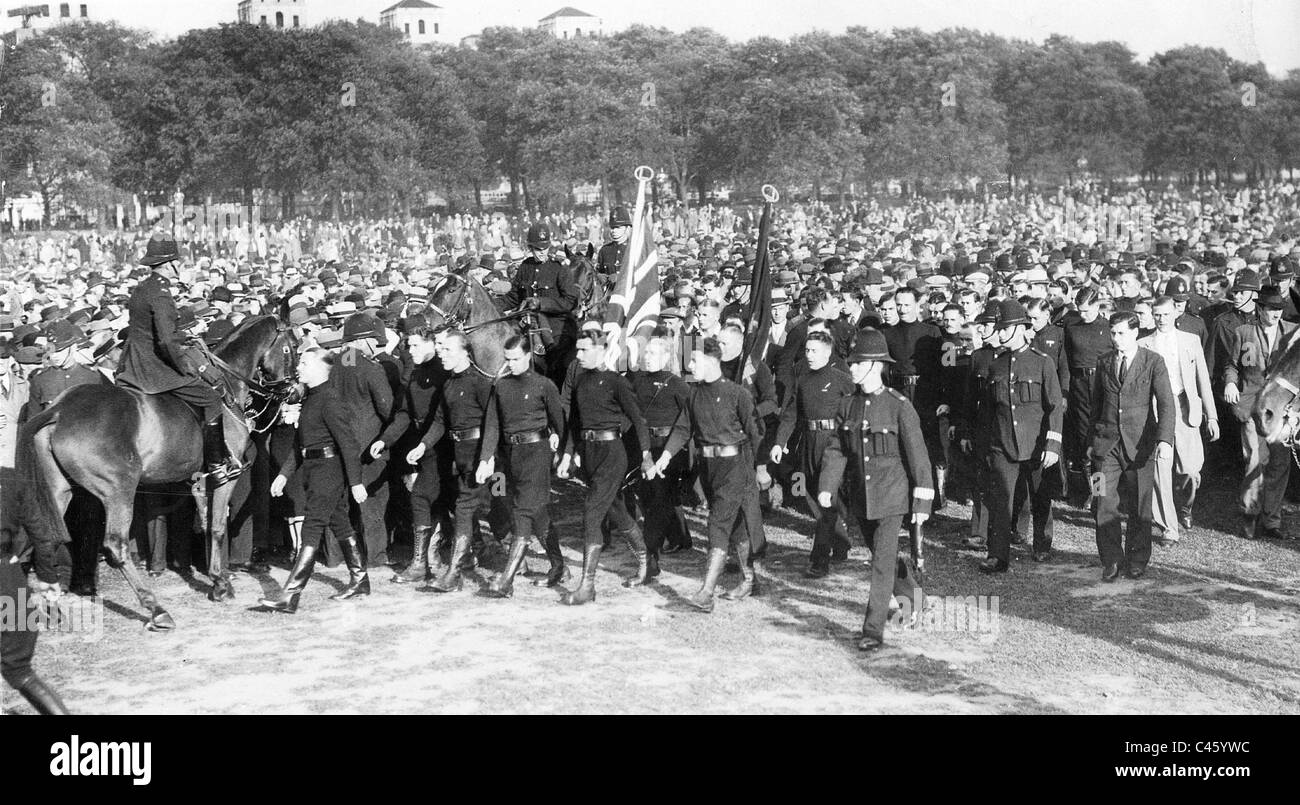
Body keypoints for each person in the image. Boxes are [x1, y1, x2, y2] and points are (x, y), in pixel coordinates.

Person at [817, 328, 933, 652]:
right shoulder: (848, 406)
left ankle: (872, 630)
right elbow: (837, 449)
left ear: (875, 365)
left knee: (880, 565)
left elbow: (919, 458)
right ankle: (916, 601)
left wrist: (921, 505)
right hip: (863, 499)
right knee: (884, 557)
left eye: (857, 363)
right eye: (850, 362)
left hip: (892, 497)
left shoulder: (899, 406)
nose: (850, 368)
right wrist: (827, 486)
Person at [115, 234, 243, 482]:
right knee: (211, 397)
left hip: (133, 363)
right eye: (178, 262)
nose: (180, 266)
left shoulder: (142, 288)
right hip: (154, 368)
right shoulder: (162, 293)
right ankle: (216, 465)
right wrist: (184, 366)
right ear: (169, 264)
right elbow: (165, 340)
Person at [653, 337, 764, 613]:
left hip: (735, 467)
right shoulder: (693, 394)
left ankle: (706, 593)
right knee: (735, 524)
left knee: (717, 524)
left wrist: (760, 468)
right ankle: (749, 579)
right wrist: (665, 457)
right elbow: (682, 428)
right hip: (708, 469)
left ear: (712, 360)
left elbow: (756, 432)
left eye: (694, 360)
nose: (690, 365)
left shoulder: (737, 394)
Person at [261, 348, 369, 612]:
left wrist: (355, 482)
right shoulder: (311, 398)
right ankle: (360, 580)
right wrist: (283, 476)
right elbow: (299, 446)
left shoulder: (331, 399)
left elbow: (348, 444)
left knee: (312, 526)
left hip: (329, 471)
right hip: (313, 469)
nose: (299, 367)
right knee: (340, 522)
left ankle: (290, 595)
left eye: (304, 363)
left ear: (322, 369)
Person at [557, 332, 654, 604]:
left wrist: (646, 455)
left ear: (600, 350)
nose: (578, 356)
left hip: (612, 454)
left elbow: (638, 419)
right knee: (617, 511)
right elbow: (575, 424)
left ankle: (587, 587)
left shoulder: (616, 382)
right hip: (590, 454)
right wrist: (567, 455)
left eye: (584, 350)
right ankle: (647, 562)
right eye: (577, 350)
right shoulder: (579, 381)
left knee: (591, 513)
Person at [405, 329, 497, 591]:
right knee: (466, 509)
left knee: (499, 509)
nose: (442, 354)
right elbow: (440, 421)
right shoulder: (448, 384)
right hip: (460, 455)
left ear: (465, 352)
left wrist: (488, 458)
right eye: (441, 350)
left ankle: (458, 572)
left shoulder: (480, 383)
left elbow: (492, 423)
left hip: (480, 453)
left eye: (447, 350)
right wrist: (423, 445)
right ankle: (458, 570)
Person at [976, 300, 1064, 572]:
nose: (1000, 334)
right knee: (1001, 498)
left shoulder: (1042, 363)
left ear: (1022, 329)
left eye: (1006, 329)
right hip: (1003, 444)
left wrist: (1052, 444)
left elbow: (1054, 406)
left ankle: (1041, 543)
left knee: (1040, 496)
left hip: (1036, 443)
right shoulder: (996, 366)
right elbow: (990, 412)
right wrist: (990, 447)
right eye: (999, 329)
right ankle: (997, 555)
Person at [1090, 312, 1175, 580]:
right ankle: (1111, 560)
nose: (1116, 339)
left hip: (1141, 447)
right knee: (1102, 499)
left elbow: (1165, 404)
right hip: (1106, 447)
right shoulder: (1103, 362)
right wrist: (1091, 443)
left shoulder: (1153, 362)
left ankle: (1137, 559)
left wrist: (1164, 440)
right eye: (1112, 333)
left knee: (1140, 506)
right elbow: (1095, 405)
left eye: (1121, 333)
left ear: (1135, 332)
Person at [478, 335, 565, 599]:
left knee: (523, 510)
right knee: (519, 505)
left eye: (516, 359)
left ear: (528, 357)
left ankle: (506, 581)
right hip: (507, 458)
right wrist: (486, 458)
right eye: (507, 359)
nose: (511, 364)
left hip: (536, 455)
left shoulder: (543, 385)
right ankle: (558, 564)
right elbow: (492, 425)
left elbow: (560, 422)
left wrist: (563, 450)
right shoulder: (500, 387)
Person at [770, 330, 855, 577]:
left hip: (834, 444)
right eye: (807, 350)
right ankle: (841, 543)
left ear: (828, 353)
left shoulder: (842, 379)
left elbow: (854, 409)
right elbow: (791, 415)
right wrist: (779, 442)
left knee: (825, 500)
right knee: (817, 496)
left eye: (814, 350)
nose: (809, 355)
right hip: (808, 442)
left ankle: (819, 560)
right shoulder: (803, 379)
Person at [1222, 285, 1297, 540]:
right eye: (1271, 308)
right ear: (1260, 308)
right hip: (1252, 406)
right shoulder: (1244, 333)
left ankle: (1271, 520)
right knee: (1255, 460)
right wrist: (1230, 382)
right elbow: (1232, 366)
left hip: (1281, 410)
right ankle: (1250, 515)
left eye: (1279, 308)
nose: (1276, 313)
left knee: (1279, 464)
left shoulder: (1292, 333)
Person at [1139, 296, 1218, 541]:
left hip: (1185, 406)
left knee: (1191, 470)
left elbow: (1203, 380)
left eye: (1165, 314)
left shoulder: (1190, 340)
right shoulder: (1144, 344)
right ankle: (1168, 528)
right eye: (1157, 314)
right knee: (1160, 468)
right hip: (1157, 409)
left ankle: (1185, 507)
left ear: (1175, 313)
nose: (1161, 319)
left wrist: (1211, 416)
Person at [334, 313, 396, 568]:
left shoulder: (336, 363)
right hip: (367, 445)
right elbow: (387, 408)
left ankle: (335, 557)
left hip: (338, 442)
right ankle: (376, 557)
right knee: (372, 501)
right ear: (366, 340)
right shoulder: (372, 368)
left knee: (340, 502)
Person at [630, 331, 694, 558]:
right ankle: (681, 538)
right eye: (646, 352)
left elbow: (688, 416)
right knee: (655, 493)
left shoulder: (677, 384)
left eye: (653, 353)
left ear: (666, 357)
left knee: (662, 493)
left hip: (668, 446)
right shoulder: (637, 382)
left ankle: (654, 545)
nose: (647, 357)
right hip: (645, 444)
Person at [596, 207, 632, 279]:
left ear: (627, 228)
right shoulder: (604, 250)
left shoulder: (633, 249)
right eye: (612, 227)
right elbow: (599, 272)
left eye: (618, 228)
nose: (614, 231)